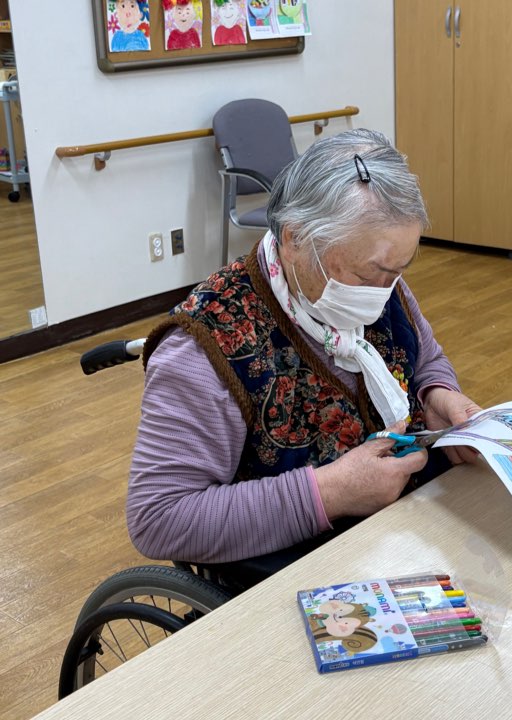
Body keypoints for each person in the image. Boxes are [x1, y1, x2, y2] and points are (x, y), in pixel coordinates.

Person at [127, 129, 480, 588]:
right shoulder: (203, 347)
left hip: (401, 532)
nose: (382, 293)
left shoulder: (379, 283)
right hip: (299, 571)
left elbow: (425, 357)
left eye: (397, 272)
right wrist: (331, 492)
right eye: (367, 275)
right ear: (294, 239)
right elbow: (158, 518)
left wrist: (436, 394)